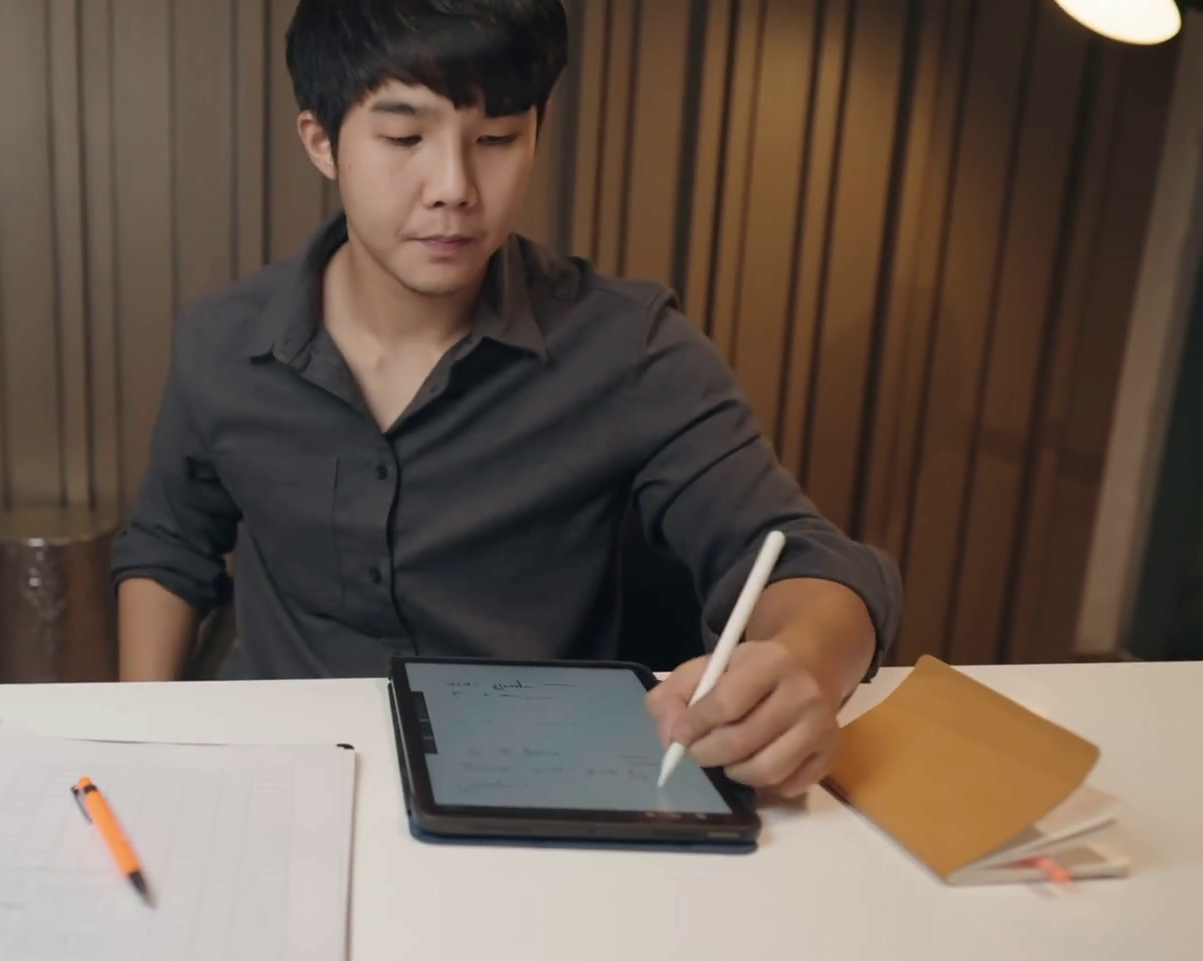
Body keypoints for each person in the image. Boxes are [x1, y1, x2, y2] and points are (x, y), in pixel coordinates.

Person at [110, 0, 902, 796]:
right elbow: (168, 549)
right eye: (404, 139)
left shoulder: (628, 348)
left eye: (495, 139)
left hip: (529, 784)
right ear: (322, 142)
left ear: (537, 130)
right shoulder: (222, 342)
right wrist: (139, 743)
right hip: (282, 770)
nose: (454, 188)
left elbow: (803, 557)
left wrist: (803, 660)